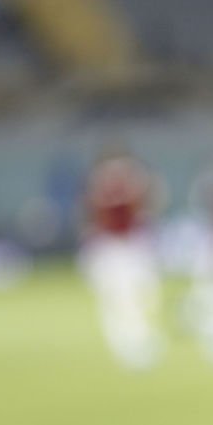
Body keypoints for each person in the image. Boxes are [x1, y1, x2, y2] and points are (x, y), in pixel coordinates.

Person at [81, 148, 162, 370]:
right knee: (118, 298)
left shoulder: (133, 182)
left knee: (140, 295)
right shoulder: (103, 185)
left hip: (131, 245)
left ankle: (138, 339)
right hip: (112, 247)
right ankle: (125, 343)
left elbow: (146, 209)